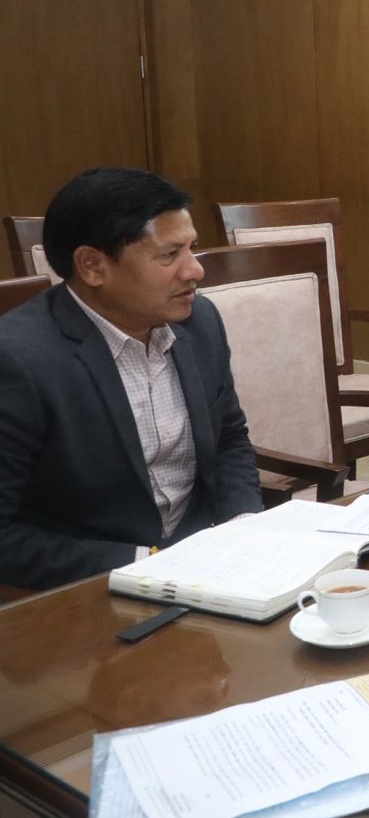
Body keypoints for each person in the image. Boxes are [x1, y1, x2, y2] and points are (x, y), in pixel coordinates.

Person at [0, 168, 262, 591]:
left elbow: (229, 438)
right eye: (169, 255)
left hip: (206, 565)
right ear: (92, 266)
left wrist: (243, 525)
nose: (195, 270)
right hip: (88, 585)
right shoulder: (17, 360)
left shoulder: (200, 322)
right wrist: (148, 562)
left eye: (192, 248)